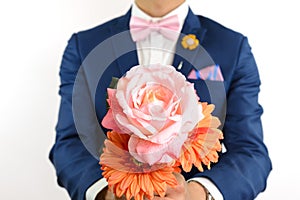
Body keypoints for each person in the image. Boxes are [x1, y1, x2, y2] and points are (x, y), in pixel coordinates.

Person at [49, 0, 272, 199]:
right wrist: (107, 192)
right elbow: (70, 143)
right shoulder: (83, 46)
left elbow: (250, 153)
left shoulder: (232, 47)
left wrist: (195, 194)